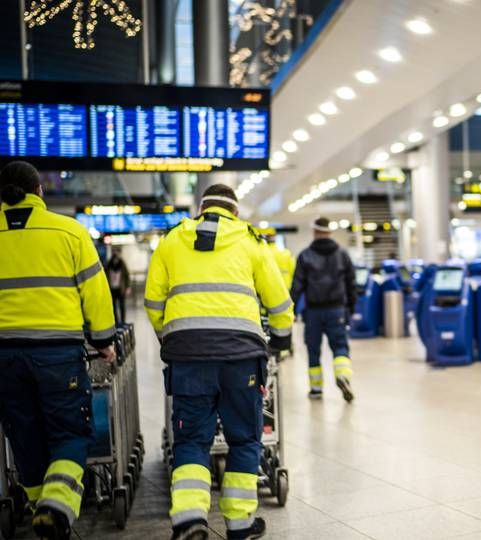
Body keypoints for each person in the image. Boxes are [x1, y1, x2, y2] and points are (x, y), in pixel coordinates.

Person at [144, 184, 293, 540]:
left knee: (192, 440)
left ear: (200, 208)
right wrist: (282, 339)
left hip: (189, 357)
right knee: (244, 439)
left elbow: (153, 302)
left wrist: (171, 336)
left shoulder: (172, 240)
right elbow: (278, 301)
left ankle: (190, 518)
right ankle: (240, 525)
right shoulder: (251, 241)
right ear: (235, 211)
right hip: (241, 357)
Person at [0, 161, 116, 539]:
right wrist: (103, 342)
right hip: (58, 355)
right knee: (69, 432)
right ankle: (55, 506)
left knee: (24, 433)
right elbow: (96, 293)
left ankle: (38, 506)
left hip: (4, 357)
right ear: (40, 191)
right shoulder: (69, 231)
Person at [290, 217, 356, 402]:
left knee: (313, 351)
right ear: (330, 231)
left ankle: (316, 389)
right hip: (337, 310)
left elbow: (297, 286)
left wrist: (292, 311)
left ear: (314, 231)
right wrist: (350, 308)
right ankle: (343, 376)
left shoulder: (305, 255)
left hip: (313, 313)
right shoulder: (342, 254)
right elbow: (351, 284)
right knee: (340, 347)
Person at [106, 249, 131, 324]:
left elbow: (127, 276)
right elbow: (106, 276)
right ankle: (116, 322)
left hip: (121, 289)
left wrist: (128, 287)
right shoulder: (108, 264)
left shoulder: (122, 264)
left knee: (122, 305)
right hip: (112, 289)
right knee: (113, 306)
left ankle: (123, 321)